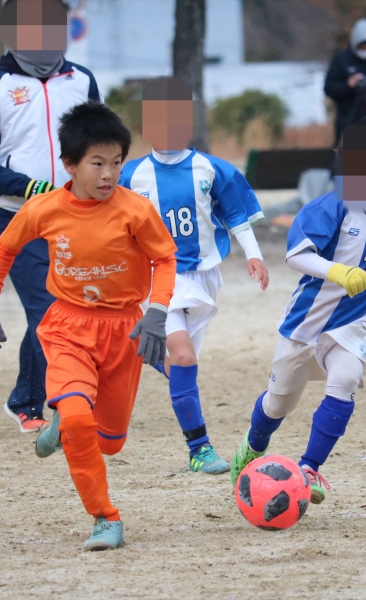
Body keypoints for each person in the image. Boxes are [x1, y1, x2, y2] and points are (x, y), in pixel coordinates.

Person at [0, 102, 177, 551]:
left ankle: (61, 425)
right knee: (80, 419)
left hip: (124, 330)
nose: (109, 174)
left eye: (116, 163)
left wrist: (157, 313)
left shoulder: (136, 211)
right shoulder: (44, 209)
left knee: (110, 443)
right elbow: (5, 248)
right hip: (67, 327)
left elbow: (164, 259)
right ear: (70, 164)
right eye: (97, 164)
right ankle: (105, 518)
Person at [230, 115, 366, 506]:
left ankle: (309, 468)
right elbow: (297, 255)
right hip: (308, 322)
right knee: (278, 403)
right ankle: (253, 444)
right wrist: (337, 271)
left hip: (361, 320)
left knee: (345, 378)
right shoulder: (332, 207)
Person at [0, 0, 103, 433]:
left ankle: (27, 397)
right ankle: (59, 403)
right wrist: (27, 187)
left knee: (68, 308)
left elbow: (100, 145)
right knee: (49, 309)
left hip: (75, 217)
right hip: (17, 217)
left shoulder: (83, 81)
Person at [119, 77, 269, 475]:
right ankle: (199, 449)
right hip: (157, 279)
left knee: (179, 364)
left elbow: (236, 216)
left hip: (204, 279)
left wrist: (254, 255)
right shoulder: (130, 175)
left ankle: (135, 348)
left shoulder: (212, 169)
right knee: (183, 356)